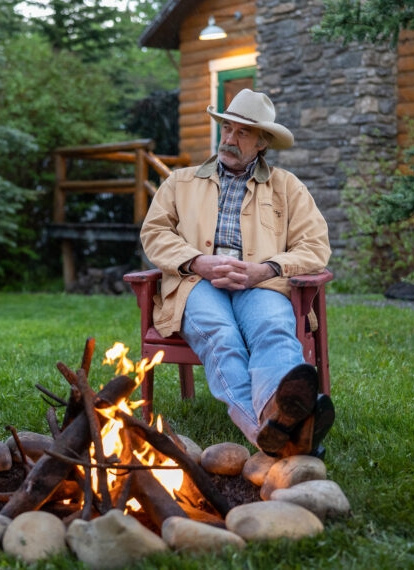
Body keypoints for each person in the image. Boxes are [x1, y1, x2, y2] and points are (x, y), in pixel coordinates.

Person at [140, 89, 335, 458]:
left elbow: (315, 247)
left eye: (243, 132)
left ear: (262, 143)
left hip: (261, 284)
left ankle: (280, 423)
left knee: (273, 330)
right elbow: (154, 234)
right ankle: (278, 428)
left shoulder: (287, 187)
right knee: (221, 336)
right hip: (196, 282)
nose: (229, 138)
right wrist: (198, 261)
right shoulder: (180, 182)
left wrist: (264, 270)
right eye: (227, 128)